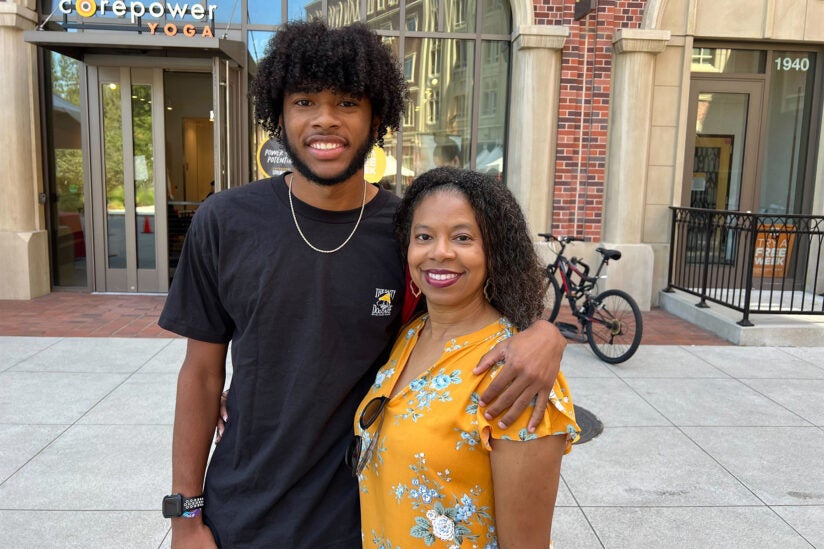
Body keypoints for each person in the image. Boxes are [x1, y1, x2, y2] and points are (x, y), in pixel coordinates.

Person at [159, 20, 567, 548]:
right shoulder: (225, 221)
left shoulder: (408, 234)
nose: (325, 120)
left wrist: (546, 334)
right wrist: (185, 518)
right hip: (240, 512)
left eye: (348, 103)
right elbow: (200, 375)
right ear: (278, 115)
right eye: (304, 102)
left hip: (361, 519)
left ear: (378, 119)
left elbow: (478, 307)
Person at [352, 167, 579, 547]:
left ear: (494, 252)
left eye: (462, 237)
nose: (440, 252)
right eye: (424, 236)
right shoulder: (411, 334)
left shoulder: (517, 372)